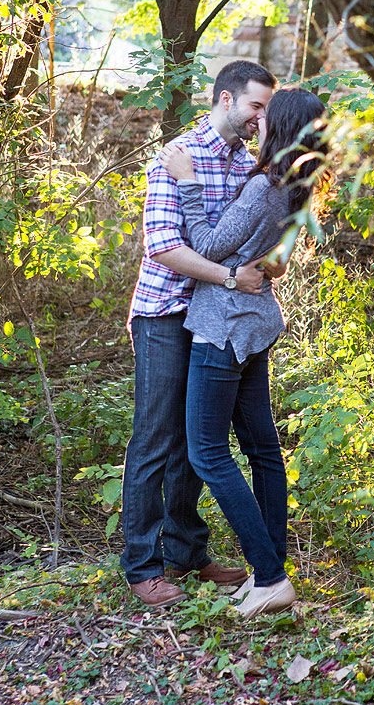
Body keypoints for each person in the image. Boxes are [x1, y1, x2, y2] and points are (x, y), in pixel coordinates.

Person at [158, 87, 326, 618]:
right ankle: (267, 569)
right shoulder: (296, 192)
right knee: (262, 451)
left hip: (224, 327)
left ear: (279, 131)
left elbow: (206, 247)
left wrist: (187, 181)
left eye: (266, 116)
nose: (257, 121)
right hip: (255, 328)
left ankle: (271, 577)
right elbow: (268, 256)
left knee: (207, 450)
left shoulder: (261, 189)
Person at [122, 60, 278, 608]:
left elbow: (240, 236)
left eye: (266, 108)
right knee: (156, 438)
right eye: (256, 106)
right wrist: (234, 276)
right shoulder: (178, 157)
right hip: (167, 312)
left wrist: (266, 262)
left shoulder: (243, 163)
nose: (262, 117)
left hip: (215, 319)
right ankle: (143, 567)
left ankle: (187, 551)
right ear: (226, 98)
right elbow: (164, 245)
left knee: (196, 440)